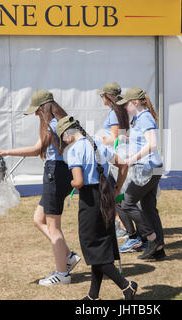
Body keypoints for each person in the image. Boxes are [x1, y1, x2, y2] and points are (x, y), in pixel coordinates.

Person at [0, 90, 81, 286]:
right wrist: (6, 151)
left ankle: (62, 274)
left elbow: (69, 145)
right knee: (38, 219)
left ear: (44, 108)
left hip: (55, 173)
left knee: (53, 226)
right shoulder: (59, 122)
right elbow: (38, 149)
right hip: (59, 173)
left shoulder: (55, 125)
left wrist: (5, 151)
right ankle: (68, 257)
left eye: (37, 111)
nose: (36, 115)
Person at [56, 115, 138, 300]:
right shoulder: (96, 144)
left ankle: (126, 286)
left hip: (90, 199)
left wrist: (69, 181)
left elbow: (78, 182)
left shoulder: (74, 150)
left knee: (91, 246)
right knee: (101, 246)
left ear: (66, 135)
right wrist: (117, 189)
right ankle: (93, 296)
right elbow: (123, 164)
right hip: (106, 195)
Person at [115, 88, 165, 260]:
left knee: (126, 203)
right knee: (149, 208)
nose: (125, 108)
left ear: (135, 103)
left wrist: (132, 159)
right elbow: (144, 141)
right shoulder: (138, 119)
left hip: (148, 168)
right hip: (151, 168)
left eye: (126, 104)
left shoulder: (145, 118)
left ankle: (151, 238)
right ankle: (159, 249)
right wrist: (129, 142)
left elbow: (152, 144)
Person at [96, 82, 130, 239]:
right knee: (118, 192)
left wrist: (101, 140)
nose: (101, 98)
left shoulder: (113, 113)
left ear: (108, 97)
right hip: (123, 153)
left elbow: (115, 138)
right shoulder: (121, 110)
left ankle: (122, 226)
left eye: (102, 95)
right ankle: (122, 224)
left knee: (115, 192)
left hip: (117, 156)